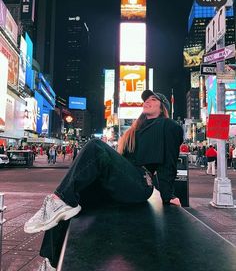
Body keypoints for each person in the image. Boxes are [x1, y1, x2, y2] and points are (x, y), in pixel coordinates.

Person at [24, 89, 183, 270]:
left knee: (95, 146)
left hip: (141, 182)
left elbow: (169, 162)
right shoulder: (135, 130)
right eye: (146, 99)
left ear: (162, 107)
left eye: (153, 100)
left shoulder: (169, 126)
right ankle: (50, 261)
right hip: (124, 180)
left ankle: (58, 201)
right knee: (71, 198)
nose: (147, 101)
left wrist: (168, 194)